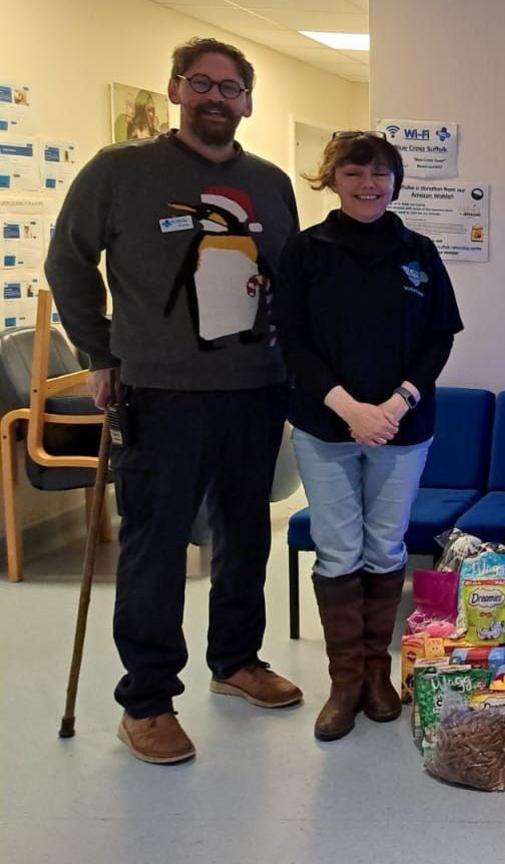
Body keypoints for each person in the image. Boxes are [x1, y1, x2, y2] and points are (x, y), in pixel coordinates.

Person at [45, 37, 301, 765]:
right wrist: (101, 352)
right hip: (158, 393)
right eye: (201, 84)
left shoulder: (271, 181)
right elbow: (68, 259)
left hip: (257, 389)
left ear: (247, 101)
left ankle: (236, 661)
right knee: (157, 546)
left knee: (248, 532)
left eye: (231, 88)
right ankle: (148, 699)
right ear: (175, 91)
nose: (216, 98)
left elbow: (288, 278)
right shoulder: (120, 172)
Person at [275, 132, 462, 741]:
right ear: (333, 179)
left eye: (380, 175)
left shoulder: (419, 252)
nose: (368, 185)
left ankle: (378, 675)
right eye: (354, 173)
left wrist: (398, 401)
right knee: (338, 551)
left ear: (395, 182)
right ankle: (344, 683)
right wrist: (349, 407)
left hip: (403, 426)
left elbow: (440, 338)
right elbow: (292, 341)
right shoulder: (305, 252)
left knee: (385, 550)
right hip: (325, 425)